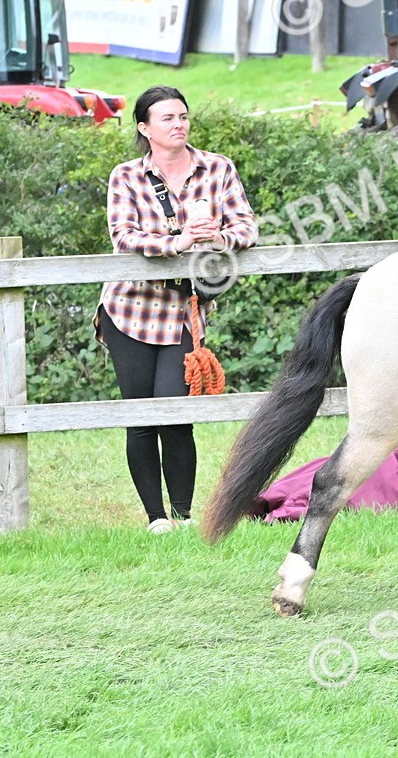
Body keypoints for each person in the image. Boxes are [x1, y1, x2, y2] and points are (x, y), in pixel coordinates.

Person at [94, 86, 258, 533]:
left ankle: (184, 516)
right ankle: (155, 518)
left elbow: (247, 227)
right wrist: (179, 243)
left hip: (184, 309)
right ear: (145, 129)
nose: (179, 124)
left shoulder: (217, 167)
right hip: (129, 308)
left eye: (183, 116)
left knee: (176, 413)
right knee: (140, 415)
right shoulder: (126, 175)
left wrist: (216, 239)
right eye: (167, 118)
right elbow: (123, 237)